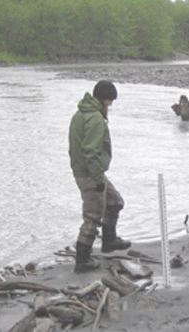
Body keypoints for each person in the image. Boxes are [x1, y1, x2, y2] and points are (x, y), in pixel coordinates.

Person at [69, 80, 131, 273]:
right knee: (93, 216)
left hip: (90, 171)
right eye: (110, 102)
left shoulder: (81, 114)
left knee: (115, 202)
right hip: (90, 174)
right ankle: (82, 258)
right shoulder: (95, 118)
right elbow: (90, 152)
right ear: (103, 100)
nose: (110, 106)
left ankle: (109, 241)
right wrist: (97, 180)